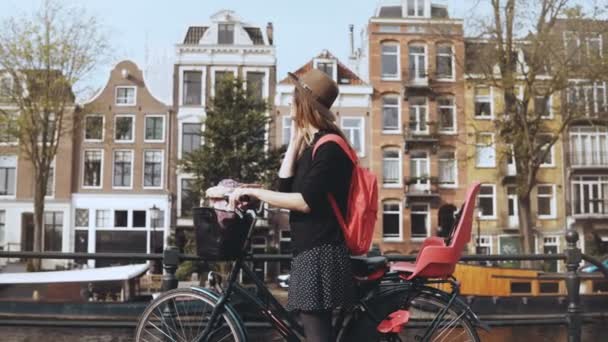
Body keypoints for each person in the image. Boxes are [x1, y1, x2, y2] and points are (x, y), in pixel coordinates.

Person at [229, 68, 355, 342]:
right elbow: (284, 187)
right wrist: (297, 138)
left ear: (305, 104)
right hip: (309, 251)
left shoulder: (330, 148)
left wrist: (256, 193)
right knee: (312, 331)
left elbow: (303, 202)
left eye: (293, 97)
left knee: (317, 335)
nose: (288, 102)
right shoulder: (312, 146)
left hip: (320, 253)